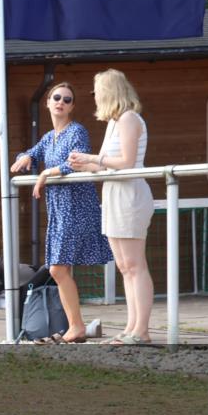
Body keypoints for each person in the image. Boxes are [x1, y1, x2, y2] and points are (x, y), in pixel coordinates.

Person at [11, 82, 113, 343]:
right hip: (58, 209)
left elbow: (75, 163)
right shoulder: (49, 137)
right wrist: (24, 157)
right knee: (60, 268)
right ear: (47, 102)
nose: (61, 102)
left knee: (57, 268)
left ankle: (76, 326)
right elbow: (33, 153)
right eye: (56, 97)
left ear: (72, 106)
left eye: (67, 100)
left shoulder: (77, 131)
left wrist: (45, 172)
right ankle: (75, 326)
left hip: (77, 207)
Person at [69, 69, 155, 344]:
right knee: (125, 266)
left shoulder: (129, 119)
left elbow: (127, 162)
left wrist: (92, 157)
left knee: (135, 264)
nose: (95, 99)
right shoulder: (114, 122)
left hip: (130, 194)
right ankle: (132, 327)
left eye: (98, 92)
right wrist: (85, 164)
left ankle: (141, 330)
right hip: (114, 193)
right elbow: (107, 163)